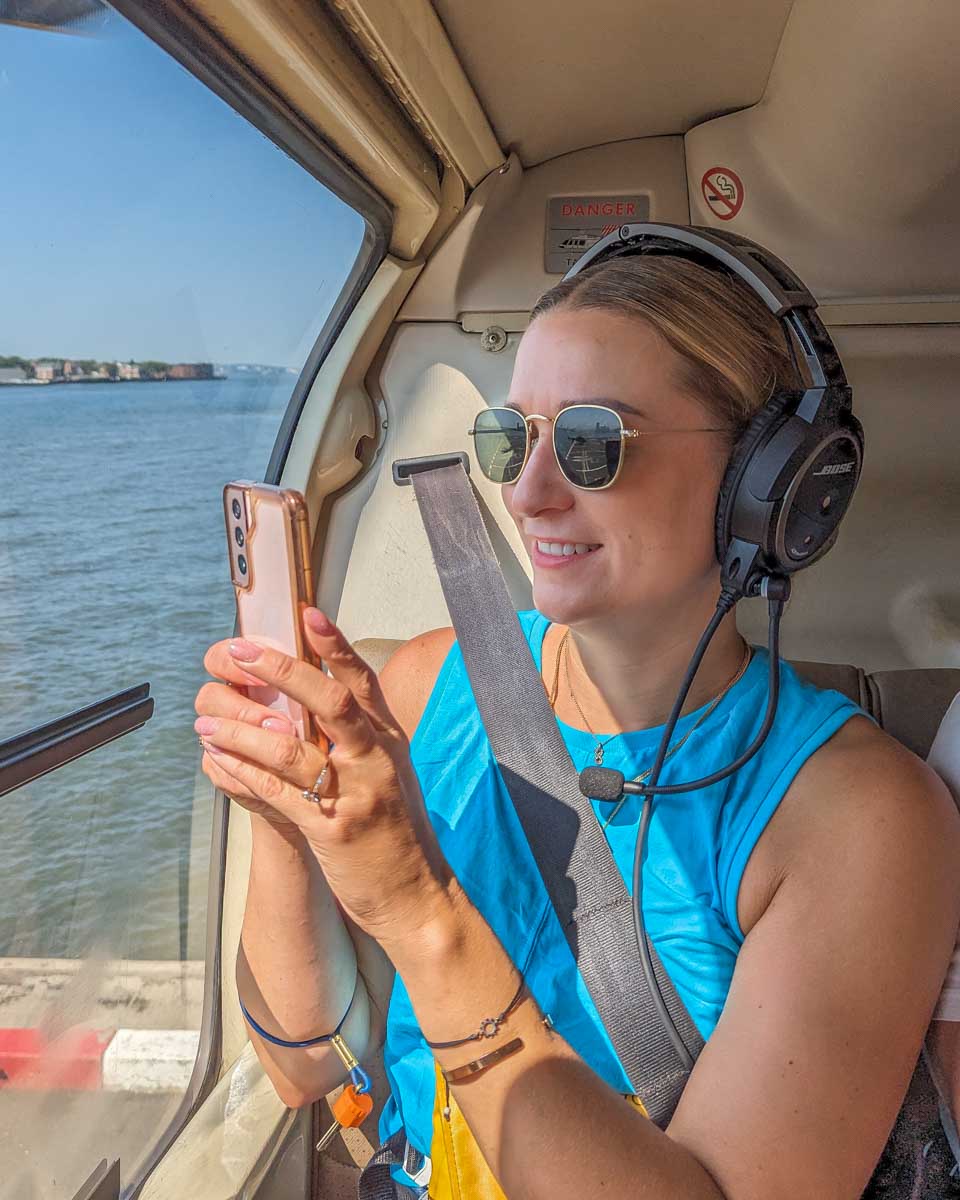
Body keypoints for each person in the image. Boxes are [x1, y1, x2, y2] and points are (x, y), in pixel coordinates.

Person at [194, 253, 960, 1200]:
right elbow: (308, 1070)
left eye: (596, 443)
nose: (526, 495)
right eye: (512, 439)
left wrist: (420, 911)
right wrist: (286, 805)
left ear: (767, 486)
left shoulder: (857, 818)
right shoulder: (427, 684)